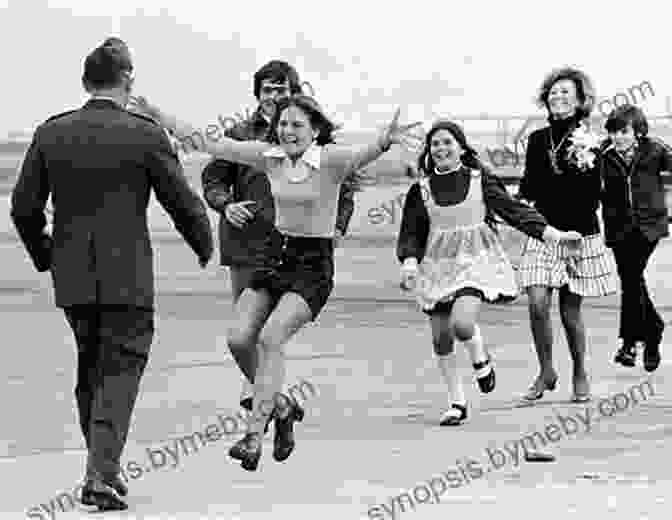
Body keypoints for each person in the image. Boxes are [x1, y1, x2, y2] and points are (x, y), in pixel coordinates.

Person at [131, 93, 418, 470]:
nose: (288, 130)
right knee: (237, 339)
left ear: (315, 130)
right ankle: (282, 408)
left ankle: (253, 436)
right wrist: (156, 113)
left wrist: (386, 139)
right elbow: (208, 142)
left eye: (297, 125)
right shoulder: (270, 158)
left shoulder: (329, 160)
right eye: (283, 123)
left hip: (313, 266)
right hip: (275, 257)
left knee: (270, 338)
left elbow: (368, 156)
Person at [10, 43, 213, 511]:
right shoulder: (145, 134)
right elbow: (179, 200)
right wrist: (203, 243)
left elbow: (23, 207)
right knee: (119, 373)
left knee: (92, 371)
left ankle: (102, 464)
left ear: (85, 83)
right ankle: (99, 476)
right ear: (129, 80)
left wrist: (47, 255)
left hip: (73, 278)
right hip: (128, 280)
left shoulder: (50, 132)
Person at [200, 60, 360, 420]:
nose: (274, 96)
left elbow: (345, 187)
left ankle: (260, 399)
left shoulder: (307, 133)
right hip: (246, 245)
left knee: (272, 330)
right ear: (257, 94)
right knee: (245, 328)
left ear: (294, 92)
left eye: (282, 89)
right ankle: (275, 401)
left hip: (298, 248)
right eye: (267, 89)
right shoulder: (241, 134)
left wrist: (338, 227)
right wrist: (225, 205)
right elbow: (212, 179)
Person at [397, 120, 582, 425]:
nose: (441, 148)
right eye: (435, 144)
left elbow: (514, 210)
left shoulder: (479, 179)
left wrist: (553, 235)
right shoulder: (422, 190)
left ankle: (479, 355)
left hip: (475, 262)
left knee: (462, 324)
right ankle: (457, 402)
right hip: (438, 267)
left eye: (447, 142)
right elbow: (411, 233)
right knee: (441, 337)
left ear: (461, 147)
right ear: (429, 152)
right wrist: (409, 263)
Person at [517, 67, 617, 404]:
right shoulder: (536, 139)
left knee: (569, 311)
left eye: (565, 92)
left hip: (580, 234)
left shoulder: (593, 140)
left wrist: (582, 163)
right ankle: (546, 371)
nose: (557, 97)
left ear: (580, 99)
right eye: (553, 92)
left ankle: (579, 372)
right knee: (536, 302)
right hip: (545, 232)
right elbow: (529, 186)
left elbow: (597, 194)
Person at [600, 104, 669, 372]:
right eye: (614, 132)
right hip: (618, 228)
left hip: (648, 226)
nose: (619, 137)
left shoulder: (654, 149)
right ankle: (651, 331)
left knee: (631, 278)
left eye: (624, 132)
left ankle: (630, 342)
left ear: (638, 132)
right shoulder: (601, 154)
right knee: (631, 280)